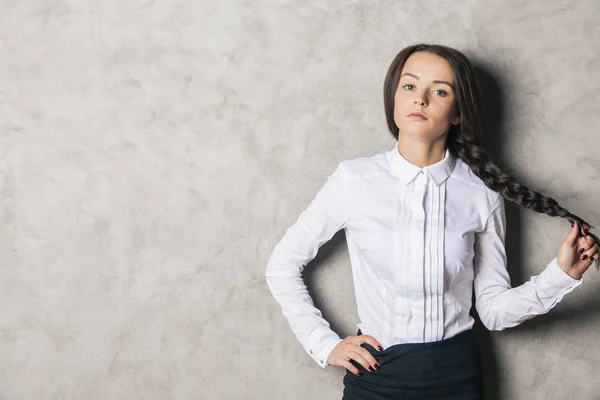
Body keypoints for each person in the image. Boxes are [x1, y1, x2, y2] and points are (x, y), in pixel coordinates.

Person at [264, 43, 598, 399]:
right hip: (377, 377)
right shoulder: (353, 180)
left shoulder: (480, 193)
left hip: (455, 377)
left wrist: (561, 275)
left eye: (439, 91)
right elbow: (282, 266)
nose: (420, 99)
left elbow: (494, 311)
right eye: (409, 86)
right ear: (393, 98)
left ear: (457, 112)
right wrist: (323, 343)